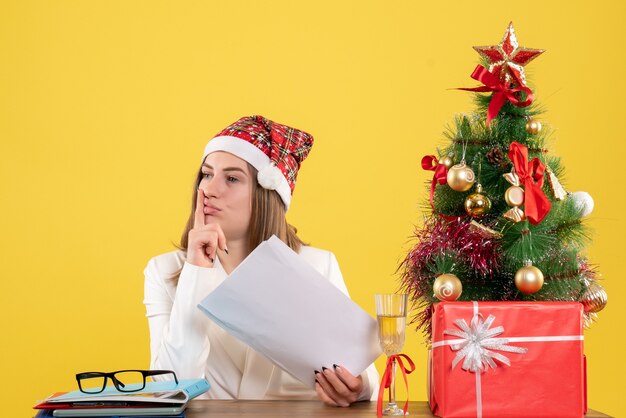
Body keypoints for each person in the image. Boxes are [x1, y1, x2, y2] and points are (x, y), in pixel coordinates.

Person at [143, 115, 379, 406]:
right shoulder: (164, 271)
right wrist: (195, 272)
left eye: (231, 178)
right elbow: (170, 391)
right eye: (206, 174)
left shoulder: (318, 264)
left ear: (266, 194)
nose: (209, 190)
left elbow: (369, 380)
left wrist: (357, 387)